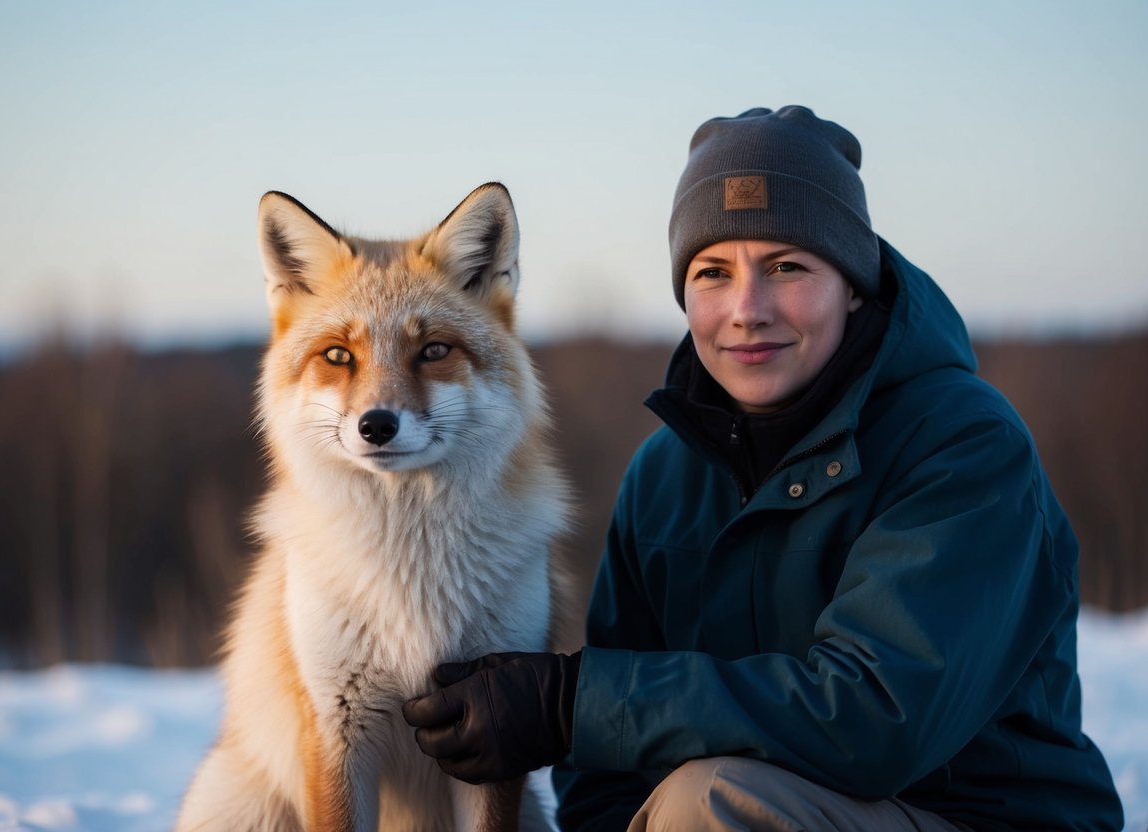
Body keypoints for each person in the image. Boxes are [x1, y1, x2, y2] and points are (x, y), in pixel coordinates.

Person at [402, 106, 1124, 831]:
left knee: (708, 803)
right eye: (712, 272)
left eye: (785, 267)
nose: (746, 310)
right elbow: (603, 779)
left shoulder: (962, 445)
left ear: (851, 282)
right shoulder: (663, 475)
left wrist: (572, 703)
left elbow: (876, 719)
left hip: (975, 816)